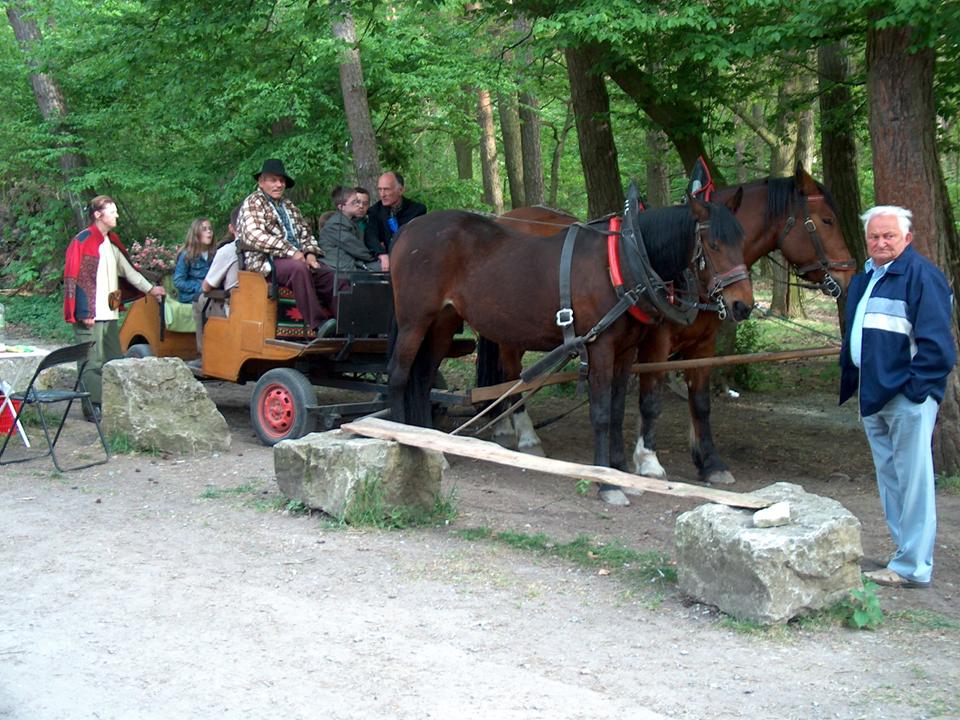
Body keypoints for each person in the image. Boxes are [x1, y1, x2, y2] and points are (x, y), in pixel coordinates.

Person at [839, 205, 956, 589]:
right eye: (874, 236)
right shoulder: (866, 278)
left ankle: (913, 567)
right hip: (873, 395)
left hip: (905, 398)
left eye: (889, 235)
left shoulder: (922, 277)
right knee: (891, 480)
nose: (881, 242)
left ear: (907, 238)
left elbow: (938, 348)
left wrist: (915, 391)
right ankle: (902, 554)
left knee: (913, 481)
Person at [63, 195, 166, 419]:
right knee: (91, 361)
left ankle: (111, 402)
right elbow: (74, 276)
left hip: (108, 311)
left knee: (112, 359)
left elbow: (129, 272)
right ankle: (93, 406)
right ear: (98, 215)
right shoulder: (82, 241)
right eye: (112, 211)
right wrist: (83, 311)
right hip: (90, 313)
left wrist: (151, 289)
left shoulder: (111, 242)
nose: (117, 215)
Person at [236, 159, 337, 339]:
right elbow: (254, 235)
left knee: (331, 275)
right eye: (273, 180)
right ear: (261, 182)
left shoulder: (290, 206)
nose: (279, 184)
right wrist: (292, 252)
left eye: (281, 181)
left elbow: (306, 233)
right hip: (265, 262)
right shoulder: (253, 202)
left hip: (298, 259)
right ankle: (318, 324)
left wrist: (311, 254)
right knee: (297, 269)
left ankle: (343, 323)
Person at [318, 186, 382, 272]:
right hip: (339, 270)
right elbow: (357, 249)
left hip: (350, 265)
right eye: (354, 202)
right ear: (341, 207)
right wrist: (378, 256)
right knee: (385, 267)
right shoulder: (335, 225)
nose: (358, 205)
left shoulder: (349, 222)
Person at [364, 171, 426, 255]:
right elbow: (371, 237)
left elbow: (418, 239)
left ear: (400, 190)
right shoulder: (375, 211)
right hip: (385, 259)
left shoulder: (417, 210)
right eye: (380, 189)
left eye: (386, 189)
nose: (382, 194)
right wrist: (381, 254)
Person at [173, 218, 214, 304]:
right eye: (204, 229)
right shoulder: (186, 255)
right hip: (191, 297)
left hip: (211, 294)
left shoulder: (215, 253)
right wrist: (200, 286)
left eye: (210, 228)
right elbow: (178, 281)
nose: (209, 231)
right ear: (196, 234)